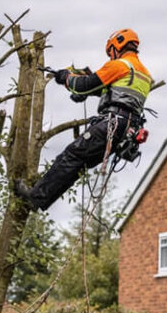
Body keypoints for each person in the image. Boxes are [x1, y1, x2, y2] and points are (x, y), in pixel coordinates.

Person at [15, 28, 153, 211]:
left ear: (117, 45)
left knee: (71, 156)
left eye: (111, 52)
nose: (111, 57)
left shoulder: (119, 65)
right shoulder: (144, 74)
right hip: (125, 131)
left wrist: (66, 78)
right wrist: (87, 90)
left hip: (111, 124)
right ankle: (40, 199)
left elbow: (83, 85)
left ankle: (36, 197)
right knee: (78, 163)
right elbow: (115, 93)